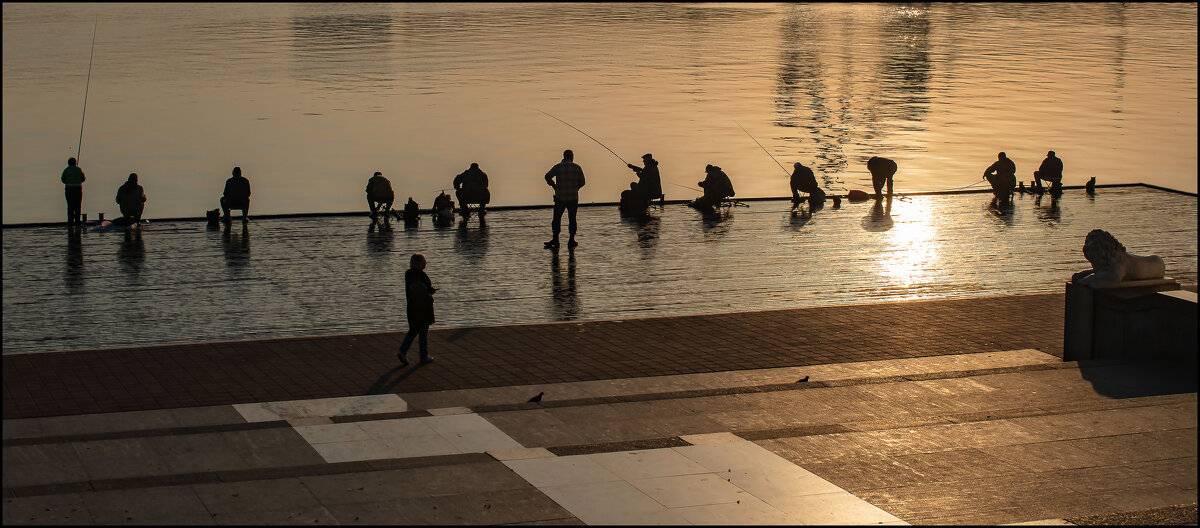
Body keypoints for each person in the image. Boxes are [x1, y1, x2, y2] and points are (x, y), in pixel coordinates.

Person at [397, 253, 436, 365]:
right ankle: (423, 355)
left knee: (413, 330)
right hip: (423, 307)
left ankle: (402, 351)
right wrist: (432, 290)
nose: (426, 263)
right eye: (424, 262)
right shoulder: (422, 275)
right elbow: (427, 289)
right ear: (420, 263)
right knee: (423, 331)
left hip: (411, 306)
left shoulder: (408, 275)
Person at [544, 149, 586, 249]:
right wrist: (576, 188)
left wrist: (553, 185)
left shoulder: (558, 167)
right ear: (572, 156)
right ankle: (571, 240)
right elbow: (583, 182)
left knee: (557, 219)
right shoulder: (577, 167)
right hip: (573, 197)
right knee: (572, 219)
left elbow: (547, 176)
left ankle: (556, 239)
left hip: (560, 197)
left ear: (563, 156)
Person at [61, 157, 86, 226]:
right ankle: (78, 222)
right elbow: (83, 179)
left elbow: (63, 179)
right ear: (75, 163)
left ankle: (70, 222)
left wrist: (68, 182)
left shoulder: (66, 170)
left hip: (69, 190)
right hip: (78, 189)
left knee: (70, 206)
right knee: (78, 206)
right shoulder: (79, 169)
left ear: (68, 163)